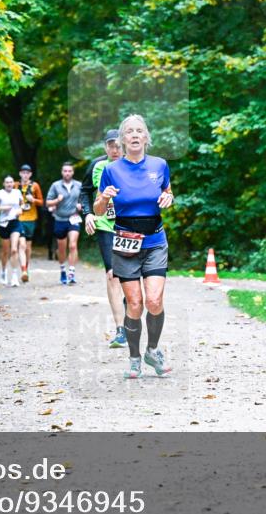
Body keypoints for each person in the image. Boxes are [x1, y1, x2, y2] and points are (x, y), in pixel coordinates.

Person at [94, 114, 174, 379]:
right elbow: (98, 208)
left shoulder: (160, 165)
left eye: (140, 131)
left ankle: (152, 349)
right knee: (136, 304)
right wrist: (104, 198)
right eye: (130, 131)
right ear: (123, 139)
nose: (135, 135)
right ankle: (134, 357)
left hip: (154, 240)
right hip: (125, 240)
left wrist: (167, 198)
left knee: (153, 300)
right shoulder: (111, 170)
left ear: (146, 136)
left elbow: (168, 192)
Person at [80, 129, 126, 348]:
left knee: (131, 277)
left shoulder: (133, 164)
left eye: (118, 145)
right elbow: (84, 191)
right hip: (106, 226)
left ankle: (130, 314)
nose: (114, 149)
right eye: (111, 145)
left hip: (130, 227)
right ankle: (120, 330)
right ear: (105, 147)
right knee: (112, 274)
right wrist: (88, 214)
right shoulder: (98, 166)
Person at [46, 161, 82, 285]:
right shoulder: (55, 185)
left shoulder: (79, 185)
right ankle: (62, 270)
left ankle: (71, 272)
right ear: (62, 172)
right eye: (65, 171)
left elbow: (84, 200)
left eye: (69, 171)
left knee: (72, 245)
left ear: (73, 172)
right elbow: (48, 202)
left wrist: (81, 205)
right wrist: (57, 200)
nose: (67, 173)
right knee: (61, 248)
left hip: (74, 218)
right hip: (60, 219)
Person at [0, 176, 25, 287]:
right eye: (7, 182)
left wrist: (21, 209)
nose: (9, 184)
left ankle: (14, 276)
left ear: (13, 183)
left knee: (14, 249)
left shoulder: (17, 192)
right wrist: (2, 208)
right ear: (3, 184)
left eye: (11, 182)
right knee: (6, 251)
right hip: (3, 224)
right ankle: (4, 271)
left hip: (15, 222)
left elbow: (22, 203)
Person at [14, 164, 44, 283]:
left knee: (28, 246)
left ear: (30, 174)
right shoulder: (15, 186)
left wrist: (34, 200)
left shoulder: (35, 186)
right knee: (21, 245)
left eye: (27, 173)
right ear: (20, 174)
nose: (25, 175)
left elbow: (42, 202)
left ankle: (26, 267)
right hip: (18, 218)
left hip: (31, 218)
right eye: (23, 173)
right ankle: (23, 270)